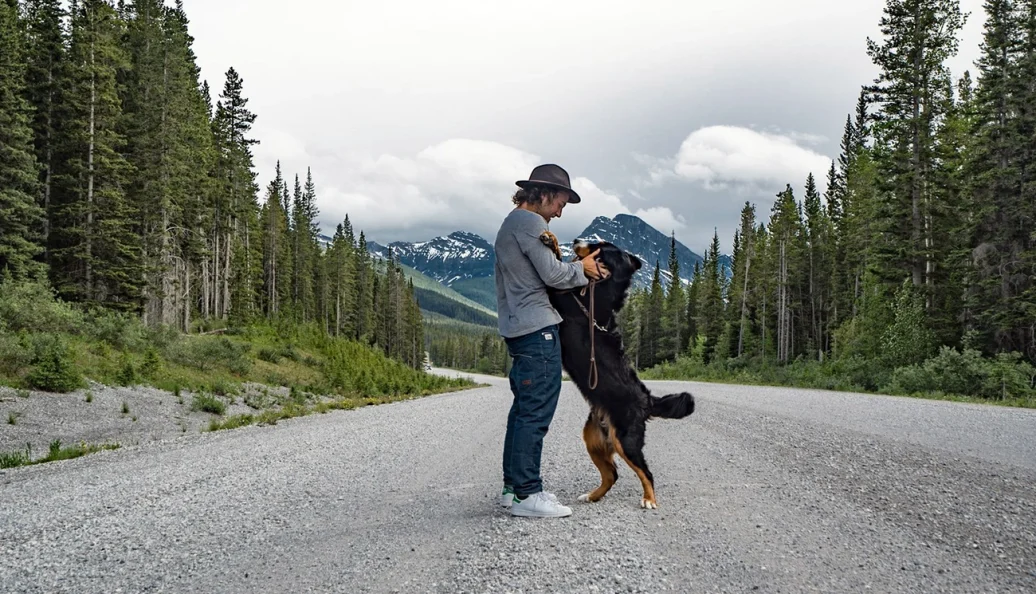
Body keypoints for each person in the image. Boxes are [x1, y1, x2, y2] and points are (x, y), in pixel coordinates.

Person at [493, 163, 609, 518]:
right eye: (559, 201)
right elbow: (554, 275)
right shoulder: (530, 223)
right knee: (536, 413)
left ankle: (514, 490)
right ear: (541, 194)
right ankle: (528, 494)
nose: (560, 211)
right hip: (537, 329)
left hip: (519, 327)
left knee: (523, 412)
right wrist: (584, 270)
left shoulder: (511, 223)